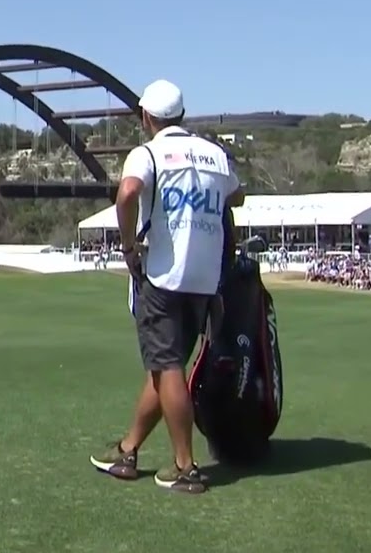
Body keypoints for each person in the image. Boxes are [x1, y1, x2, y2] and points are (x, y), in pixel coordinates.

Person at [89, 79, 245, 494]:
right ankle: (128, 449)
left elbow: (127, 193)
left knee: (167, 366)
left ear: (147, 117)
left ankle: (185, 466)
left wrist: (127, 244)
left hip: (162, 275)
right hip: (205, 278)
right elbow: (238, 196)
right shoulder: (214, 153)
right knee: (167, 367)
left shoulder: (147, 153)